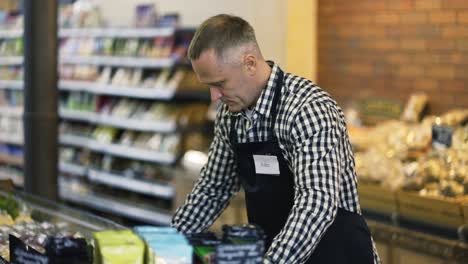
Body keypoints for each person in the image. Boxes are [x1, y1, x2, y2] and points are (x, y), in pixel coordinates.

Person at [172, 14, 381, 264]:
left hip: (335, 254)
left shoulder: (307, 109)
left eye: (220, 84)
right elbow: (213, 189)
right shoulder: (231, 117)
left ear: (249, 63)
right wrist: (167, 244)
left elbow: (315, 205)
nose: (214, 97)